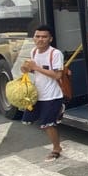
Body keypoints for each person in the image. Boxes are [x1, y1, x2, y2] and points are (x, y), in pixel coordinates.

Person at [21, 25, 65, 161]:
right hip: (38, 93)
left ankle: (56, 148)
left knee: (48, 124)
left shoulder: (55, 54)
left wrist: (36, 67)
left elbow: (57, 75)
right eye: (37, 36)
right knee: (30, 120)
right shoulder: (34, 52)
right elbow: (34, 71)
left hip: (52, 95)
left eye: (44, 37)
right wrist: (27, 69)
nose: (40, 39)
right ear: (33, 38)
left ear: (50, 39)